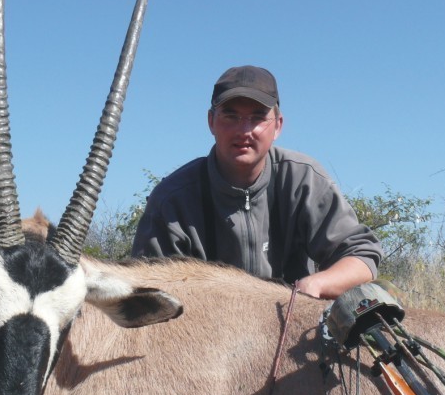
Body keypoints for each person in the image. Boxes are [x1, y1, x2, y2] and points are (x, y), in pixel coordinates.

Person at [131, 65, 382, 299]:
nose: (244, 131)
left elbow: (362, 256)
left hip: (290, 321)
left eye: (258, 117)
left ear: (278, 126)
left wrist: (313, 286)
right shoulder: (172, 198)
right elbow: (149, 292)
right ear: (211, 122)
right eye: (230, 116)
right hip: (206, 333)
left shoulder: (304, 179)